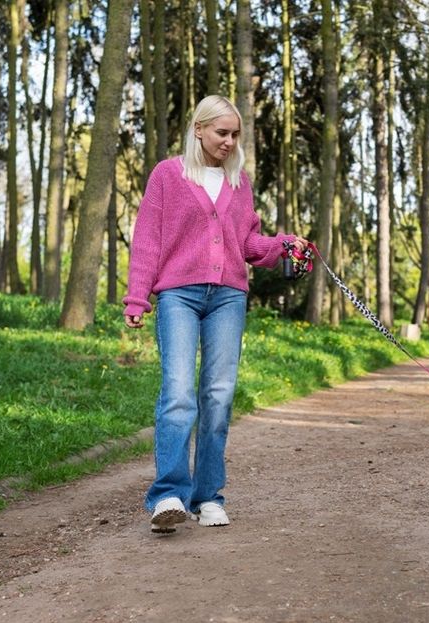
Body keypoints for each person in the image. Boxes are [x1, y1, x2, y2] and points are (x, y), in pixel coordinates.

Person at [123, 95, 308, 534]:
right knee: (179, 392)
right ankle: (167, 495)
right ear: (199, 130)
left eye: (234, 134)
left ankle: (208, 497)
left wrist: (284, 246)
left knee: (219, 396)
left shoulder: (238, 183)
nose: (229, 141)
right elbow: (148, 239)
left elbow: (247, 244)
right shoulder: (168, 175)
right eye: (221, 132)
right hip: (178, 297)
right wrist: (137, 297)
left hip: (227, 296)